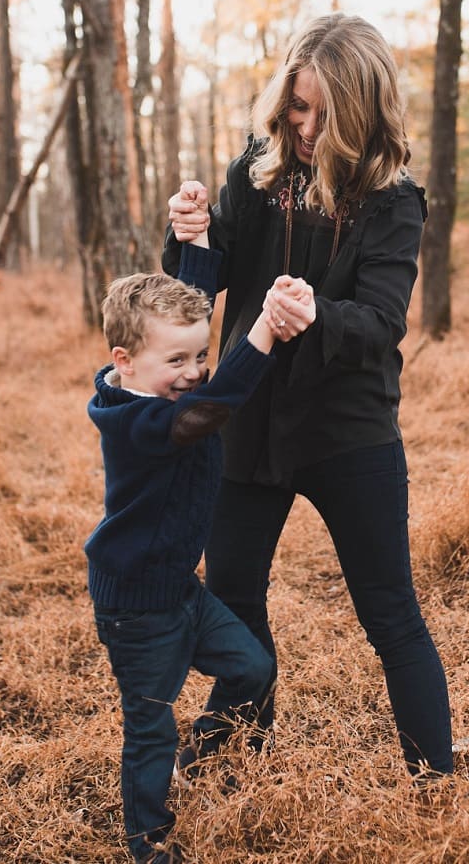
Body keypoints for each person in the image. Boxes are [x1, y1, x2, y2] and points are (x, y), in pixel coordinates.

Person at [163, 12, 453, 778]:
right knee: (231, 596)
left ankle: (438, 785)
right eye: (297, 107)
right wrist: (192, 237)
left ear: (363, 113)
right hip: (247, 419)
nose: (306, 126)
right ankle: (244, 745)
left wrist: (318, 312)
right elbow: (203, 286)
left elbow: (382, 324)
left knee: (390, 616)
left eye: (326, 114)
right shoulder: (257, 172)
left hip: (346, 430)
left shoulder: (393, 200)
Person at [85, 242, 311, 863]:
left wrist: (200, 246)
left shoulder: (159, 386)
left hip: (182, 590)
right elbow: (210, 409)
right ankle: (147, 842)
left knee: (252, 669)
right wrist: (264, 328)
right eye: (177, 360)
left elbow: (192, 312)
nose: (193, 371)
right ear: (123, 362)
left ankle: (200, 751)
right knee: (150, 725)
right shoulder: (139, 423)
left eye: (201, 356)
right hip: (137, 606)